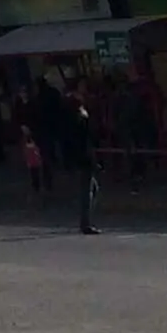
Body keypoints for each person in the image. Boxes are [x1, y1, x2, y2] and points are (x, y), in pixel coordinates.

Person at [62, 82, 101, 235]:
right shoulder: (81, 117)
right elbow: (88, 138)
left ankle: (86, 219)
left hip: (78, 156)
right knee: (87, 190)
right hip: (84, 157)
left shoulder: (69, 118)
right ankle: (85, 223)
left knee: (91, 188)